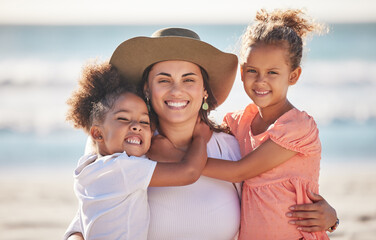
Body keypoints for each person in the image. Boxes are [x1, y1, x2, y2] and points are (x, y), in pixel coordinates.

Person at [66, 27, 337, 240]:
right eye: (163, 80)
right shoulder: (129, 146)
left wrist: (331, 218)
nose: (176, 90)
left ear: (204, 91)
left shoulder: (231, 148)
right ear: (147, 90)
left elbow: (278, 194)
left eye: (189, 79)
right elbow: (87, 218)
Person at [202, 9, 337, 239]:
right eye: (252, 70)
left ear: (293, 76)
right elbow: (203, 124)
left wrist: (185, 166)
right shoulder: (239, 121)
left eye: (272, 72)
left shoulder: (298, 127)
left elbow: (238, 172)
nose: (260, 80)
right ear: (242, 73)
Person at [64, 61, 209, 239]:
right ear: (97, 133)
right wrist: (200, 138)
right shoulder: (124, 168)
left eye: (144, 122)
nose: (136, 127)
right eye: (124, 118)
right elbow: (190, 172)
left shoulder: (87, 167)